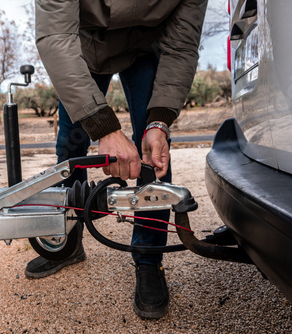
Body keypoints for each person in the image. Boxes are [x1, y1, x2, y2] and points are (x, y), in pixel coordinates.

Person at [25, 0, 208, 319]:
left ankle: (149, 259)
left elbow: (181, 46)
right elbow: (55, 36)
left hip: (144, 47)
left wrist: (159, 123)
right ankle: (67, 244)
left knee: (154, 155)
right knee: (71, 149)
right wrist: (103, 126)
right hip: (81, 47)